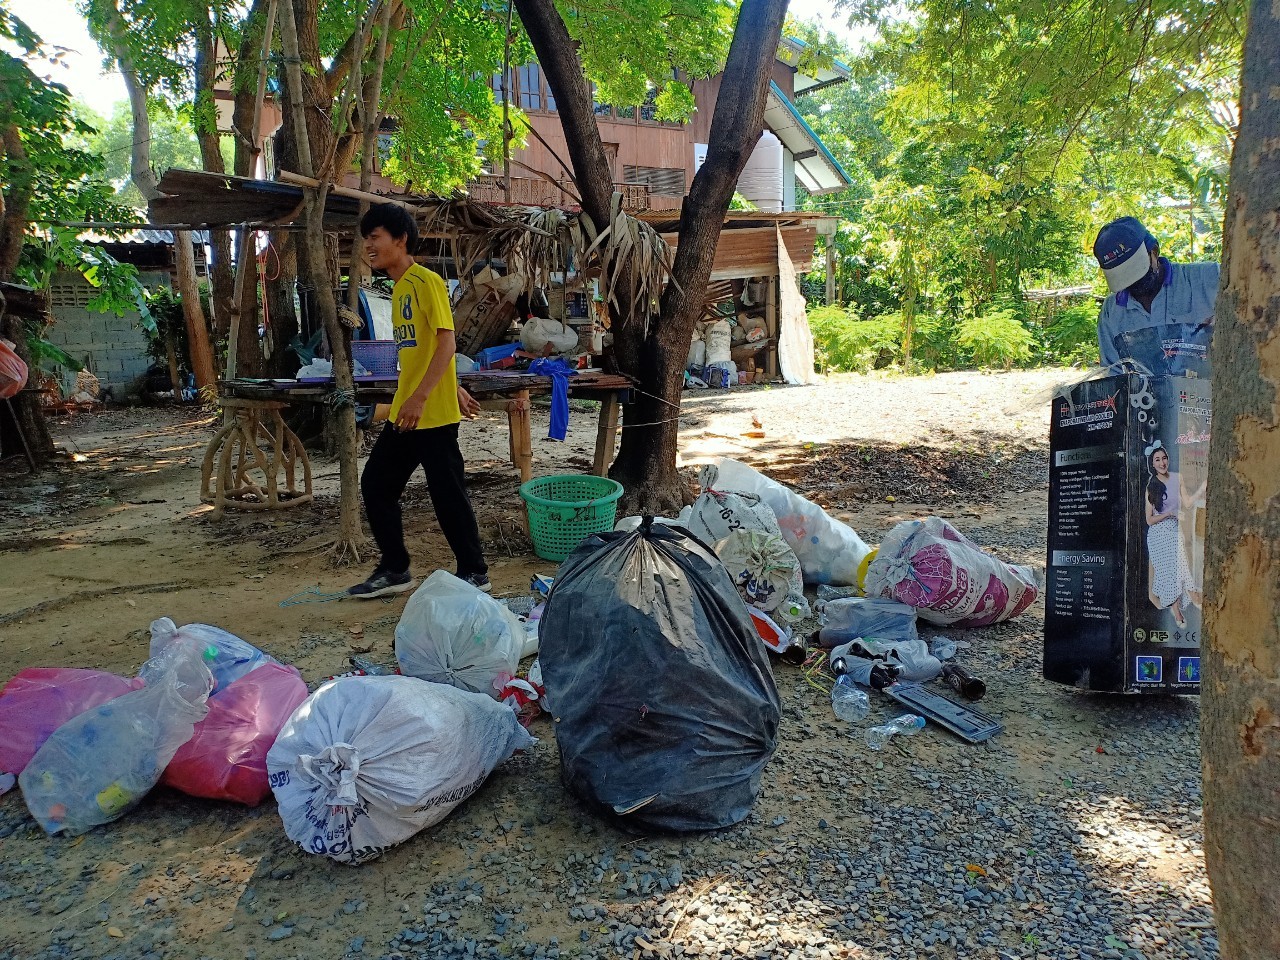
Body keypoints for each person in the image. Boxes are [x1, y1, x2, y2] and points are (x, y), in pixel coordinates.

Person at [347, 202, 490, 598]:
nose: (368, 247)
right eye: (366, 240)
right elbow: (428, 349)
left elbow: (447, 339)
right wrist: (450, 385)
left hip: (429, 412)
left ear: (400, 238)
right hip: (412, 410)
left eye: (375, 238)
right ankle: (395, 568)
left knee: (447, 492)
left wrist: (426, 395)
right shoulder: (398, 290)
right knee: (376, 483)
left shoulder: (426, 281)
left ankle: (475, 571)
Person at [1092, 216, 1219, 369]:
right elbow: (1113, 372)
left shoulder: (1209, 278)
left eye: (1137, 272)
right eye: (1123, 278)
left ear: (1154, 251)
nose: (1133, 283)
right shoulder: (1111, 312)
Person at [1143, 441, 1198, 627]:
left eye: (1164, 458)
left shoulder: (1178, 477)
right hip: (1158, 534)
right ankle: (1178, 610)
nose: (1162, 462)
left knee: (1180, 566)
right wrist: (1169, 514)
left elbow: (1188, 503)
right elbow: (1149, 520)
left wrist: (1202, 487)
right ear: (1153, 464)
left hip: (1174, 532)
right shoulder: (1151, 486)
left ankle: (1190, 596)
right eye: (1157, 460)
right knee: (1168, 573)